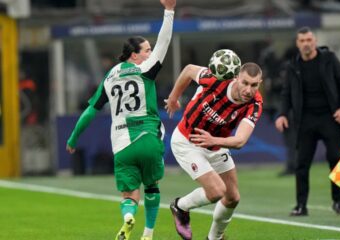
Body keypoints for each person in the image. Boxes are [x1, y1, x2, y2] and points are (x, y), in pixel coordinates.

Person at [66, 0, 176, 239]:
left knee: (129, 195)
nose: (150, 52)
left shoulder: (110, 76)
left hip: (122, 144)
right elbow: (165, 42)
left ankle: (128, 215)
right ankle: (148, 234)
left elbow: (90, 112)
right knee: (152, 186)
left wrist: (74, 138)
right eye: (147, 49)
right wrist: (169, 11)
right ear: (135, 55)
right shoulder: (146, 68)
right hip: (148, 136)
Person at [165, 61, 263, 240]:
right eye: (245, 83)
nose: (249, 89)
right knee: (217, 191)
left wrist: (213, 141)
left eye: (254, 85)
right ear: (237, 78)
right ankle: (180, 206)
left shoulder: (255, 104)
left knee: (232, 197)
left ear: (260, 83)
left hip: (215, 145)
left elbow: (240, 140)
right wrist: (173, 97)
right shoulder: (216, 79)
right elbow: (188, 70)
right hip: (187, 141)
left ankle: (214, 238)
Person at [274, 26, 340, 216]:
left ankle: (338, 201)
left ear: (315, 41)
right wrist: (282, 114)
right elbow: (286, 93)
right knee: (302, 164)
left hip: (330, 118)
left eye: (309, 40)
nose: (306, 44)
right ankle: (301, 206)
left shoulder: (329, 59)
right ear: (297, 44)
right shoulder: (293, 66)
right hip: (305, 120)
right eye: (302, 41)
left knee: (336, 158)